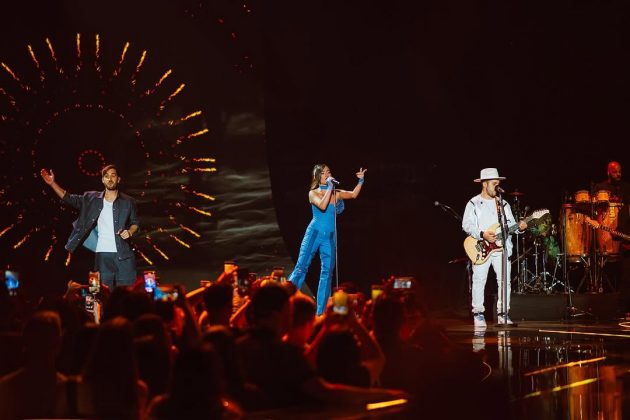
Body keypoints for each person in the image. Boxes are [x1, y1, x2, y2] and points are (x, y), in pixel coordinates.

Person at [40, 164, 139, 289]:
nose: (110, 179)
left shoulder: (129, 201)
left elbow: (135, 223)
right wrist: (52, 184)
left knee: (127, 295)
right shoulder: (91, 198)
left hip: (124, 255)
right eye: (106, 176)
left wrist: (130, 232)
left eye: (113, 176)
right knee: (100, 294)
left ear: (118, 179)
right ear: (102, 180)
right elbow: (69, 198)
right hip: (102, 256)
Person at [288, 164, 367, 315]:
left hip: (329, 237)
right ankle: (284, 301)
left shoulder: (336, 193)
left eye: (328, 172)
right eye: (323, 173)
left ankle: (320, 313)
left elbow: (353, 194)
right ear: (317, 176)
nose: (326, 174)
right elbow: (323, 206)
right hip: (314, 234)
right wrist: (330, 188)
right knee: (301, 267)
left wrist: (361, 181)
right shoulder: (313, 193)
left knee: (327, 274)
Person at [462, 168, 527, 327]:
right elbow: (466, 225)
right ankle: (478, 313)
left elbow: (511, 226)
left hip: (501, 248)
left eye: (498, 184)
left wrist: (520, 227)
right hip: (481, 246)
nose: (497, 187)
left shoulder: (503, 204)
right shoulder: (473, 203)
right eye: (494, 184)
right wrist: (482, 234)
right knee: (479, 280)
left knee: (504, 281)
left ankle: (503, 313)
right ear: (484, 184)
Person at [593, 161, 630, 314]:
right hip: (618, 239)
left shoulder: (626, 188)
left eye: (620, 172)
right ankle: (624, 308)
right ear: (608, 172)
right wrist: (616, 234)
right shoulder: (599, 188)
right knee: (626, 277)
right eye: (615, 172)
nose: (618, 175)